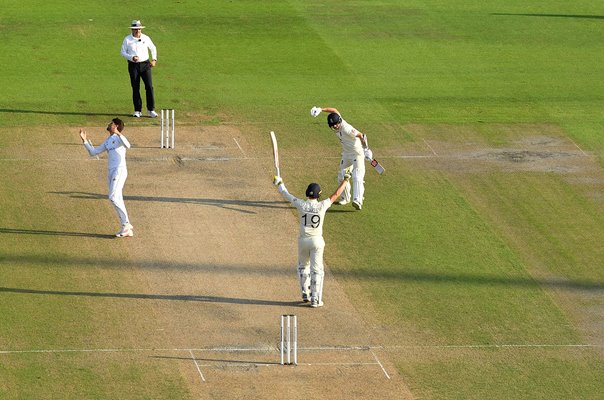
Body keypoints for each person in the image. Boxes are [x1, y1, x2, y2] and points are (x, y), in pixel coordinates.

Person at [273, 172, 350, 307]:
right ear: (318, 195)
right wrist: (345, 180)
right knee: (317, 270)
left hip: (303, 241)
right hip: (317, 241)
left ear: (307, 193)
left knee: (303, 267)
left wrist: (280, 184)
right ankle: (315, 300)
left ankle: (305, 293)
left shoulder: (301, 204)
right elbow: (336, 195)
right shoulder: (322, 205)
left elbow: (287, 195)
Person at [310, 106, 373, 210]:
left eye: (336, 125)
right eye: (333, 126)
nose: (335, 127)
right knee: (341, 176)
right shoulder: (338, 119)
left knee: (357, 176)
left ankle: (358, 200)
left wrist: (366, 149)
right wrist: (321, 110)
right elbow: (334, 110)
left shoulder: (347, 129)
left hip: (357, 153)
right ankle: (346, 197)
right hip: (347, 154)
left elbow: (362, 135)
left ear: (339, 122)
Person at [79, 118, 134, 238]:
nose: (109, 124)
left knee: (113, 197)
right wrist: (84, 141)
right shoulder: (108, 140)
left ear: (116, 126)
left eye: (112, 123)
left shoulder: (119, 138)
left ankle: (127, 224)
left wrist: (119, 133)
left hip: (119, 170)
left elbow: (128, 145)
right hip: (111, 172)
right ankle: (126, 228)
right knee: (117, 198)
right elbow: (93, 152)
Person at [120, 20, 158, 118]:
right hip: (133, 66)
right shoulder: (127, 39)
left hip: (145, 65)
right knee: (135, 87)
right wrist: (131, 57)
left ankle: (151, 110)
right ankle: (137, 110)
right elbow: (123, 52)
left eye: (139, 29)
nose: (138, 31)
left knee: (149, 86)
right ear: (132, 30)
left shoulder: (146, 38)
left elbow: (153, 48)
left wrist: (154, 60)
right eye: (136, 29)